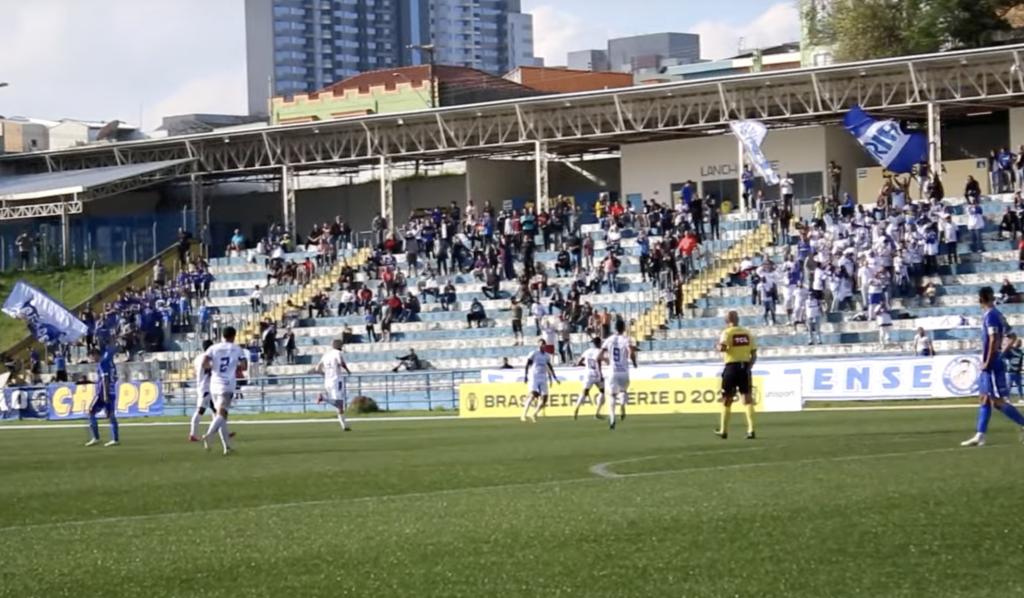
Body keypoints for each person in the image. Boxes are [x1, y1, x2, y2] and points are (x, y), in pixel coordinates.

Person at [962, 287, 1024, 447]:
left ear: (980, 299)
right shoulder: (997, 315)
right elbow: (1012, 337)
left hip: (991, 363)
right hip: (993, 360)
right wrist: (1002, 352)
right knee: (984, 398)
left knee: (997, 401)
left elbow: (992, 339)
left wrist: (991, 359)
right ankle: (980, 434)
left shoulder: (991, 316)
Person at [200, 326, 247, 455]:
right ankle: (209, 434)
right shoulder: (237, 349)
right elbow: (244, 366)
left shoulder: (213, 348)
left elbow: (204, 363)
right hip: (227, 384)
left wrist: (214, 367)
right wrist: (233, 366)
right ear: (233, 336)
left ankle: (227, 447)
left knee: (220, 416)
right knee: (222, 414)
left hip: (214, 384)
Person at [715, 310, 757, 440]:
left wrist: (716, 346)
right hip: (744, 367)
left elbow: (722, 348)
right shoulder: (747, 333)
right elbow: (754, 354)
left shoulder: (727, 333)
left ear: (727, 320)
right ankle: (751, 430)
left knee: (727, 399)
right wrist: (748, 366)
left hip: (731, 367)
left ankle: (724, 431)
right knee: (747, 398)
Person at [189, 340, 236, 442]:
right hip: (207, 387)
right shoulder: (209, 359)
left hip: (205, 386)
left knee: (217, 411)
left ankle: (225, 432)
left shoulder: (198, 358)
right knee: (201, 410)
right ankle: (192, 434)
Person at [599, 319, 636, 430]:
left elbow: (599, 355)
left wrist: (607, 360)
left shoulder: (609, 340)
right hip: (624, 371)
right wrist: (634, 362)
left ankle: (612, 418)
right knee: (623, 391)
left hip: (612, 371)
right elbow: (631, 352)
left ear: (614, 328)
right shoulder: (625, 339)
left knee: (612, 395)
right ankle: (623, 405)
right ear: (624, 328)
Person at [84, 348, 120, 447]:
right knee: (110, 414)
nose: (91, 359)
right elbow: (115, 377)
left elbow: (105, 378)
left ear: (95, 354)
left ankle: (96, 438)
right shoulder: (111, 364)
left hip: (102, 392)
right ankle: (115, 439)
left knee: (90, 411)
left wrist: (105, 394)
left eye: (91, 356)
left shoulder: (102, 363)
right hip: (111, 391)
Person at [315, 339, 353, 432]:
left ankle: (344, 426)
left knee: (339, 405)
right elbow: (341, 362)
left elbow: (317, 369)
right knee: (339, 403)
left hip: (327, 381)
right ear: (338, 345)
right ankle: (323, 398)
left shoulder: (326, 355)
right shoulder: (337, 353)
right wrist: (347, 370)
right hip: (336, 380)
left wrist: (325, 375)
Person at [521, 338, 558, 423]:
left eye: (543, 344)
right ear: (538, 345)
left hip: (543, 376)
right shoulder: (533, 354)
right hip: (534, 376)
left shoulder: (547, 356)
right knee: (533, 394)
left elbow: (549, 366)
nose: (542, 345)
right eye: (540, 344)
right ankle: (523, 415)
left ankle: (534, 413)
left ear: (545, 345)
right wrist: (525, 376)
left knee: (545, 398)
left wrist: (553, 376)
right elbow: (527, 365)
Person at [572, 338, 605, 421]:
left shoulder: (587, 351)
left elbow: (579, 363)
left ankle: (577, 408)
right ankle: (597, 412)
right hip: (597, 374)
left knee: (584, 392)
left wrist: (586, 366)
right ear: (599, 343)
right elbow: (599, 364)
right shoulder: (600, 352)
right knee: (602, 392)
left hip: (588, 374)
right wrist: (600, 375)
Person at [1004, 333, 1024, 404]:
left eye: (1020, 343)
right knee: (1008, 385)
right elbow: (1006, 355)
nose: (1019, 344)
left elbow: (1021, 361)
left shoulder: (1021, 352)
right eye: (1018, 342)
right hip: (1010, 371)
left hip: (1017, 371)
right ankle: (1007, 398)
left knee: (1019, 385)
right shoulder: (1011, 350)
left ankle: (1021, 398)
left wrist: (1020, 368)